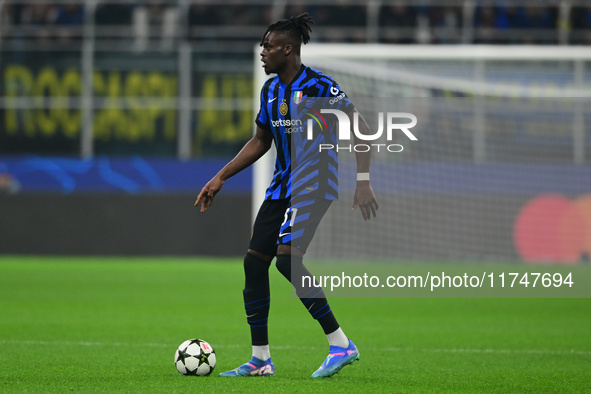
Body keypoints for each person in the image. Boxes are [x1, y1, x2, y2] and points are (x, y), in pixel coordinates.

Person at [195, 12, 378, 378]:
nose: (262, 52)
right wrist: (221, 177)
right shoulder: (271, 90)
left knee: (287, 261)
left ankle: (341, 343)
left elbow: (360, 127)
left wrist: (363, 180)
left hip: (314, 182)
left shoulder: (320, 87)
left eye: (269, 46)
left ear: (288, 49)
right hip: (282, 186)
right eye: (263, 46)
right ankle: (260, 360)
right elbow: (261, 140)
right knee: (254, 262)